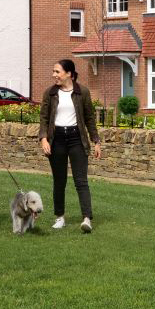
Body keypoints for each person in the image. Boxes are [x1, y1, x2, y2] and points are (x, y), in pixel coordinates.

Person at [38, 59, 100, 232]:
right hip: (56, 139)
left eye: (57, 72)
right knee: (59, 180)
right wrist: (43, 139)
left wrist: (96, 141)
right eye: (54, 71)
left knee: (81, 181)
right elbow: (43, 118)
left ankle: (87, 218)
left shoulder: (83, 92)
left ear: (69, 74)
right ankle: (60, 217)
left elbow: (89, 119)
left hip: (76, 139)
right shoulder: (49, 93)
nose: (54, 75)